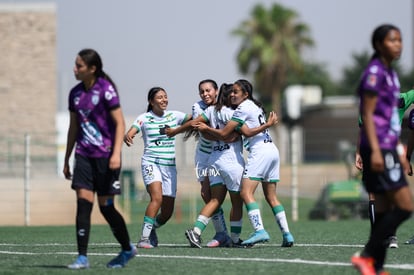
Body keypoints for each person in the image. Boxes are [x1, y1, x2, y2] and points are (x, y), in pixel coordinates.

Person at [192, 79, 294, 247]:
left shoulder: (240, 108)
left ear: (245, 94)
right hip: (272, 151)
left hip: (258, 153)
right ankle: (287, 234)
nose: (232, 95)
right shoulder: (255, 106)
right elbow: (245, 131)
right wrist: (267, 125)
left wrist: (206, 129)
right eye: (231, 92)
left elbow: (226, 133)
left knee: (245, 194)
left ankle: (259, 230)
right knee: (271, 197)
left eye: (236, 92)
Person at [63, 49, 136, 269]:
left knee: (106, 207)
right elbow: (74, 127)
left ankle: (127, 248)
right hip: (83, 155)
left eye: (79, 66)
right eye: (75, 64)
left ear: (92, 69)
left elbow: (120, 123)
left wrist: (115, 154)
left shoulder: (106, 90)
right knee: (83, 204)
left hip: (106, 157)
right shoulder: (75, 93)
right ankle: (82, 257)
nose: (75, 69)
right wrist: (67, 159)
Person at [350, 24, 413, 275]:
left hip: (388, 146)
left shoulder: (391, 74)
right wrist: (374, 151)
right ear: (378, 45)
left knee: (386, 208)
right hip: (380, 147)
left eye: (400, 40)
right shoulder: (375, 72)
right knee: (405, 207)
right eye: (392, 40)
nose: (398, 44)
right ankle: (367, 256)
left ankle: (377, 266)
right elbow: (366, 112)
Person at [124, 87, 191, 249]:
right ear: (151, 101)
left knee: (167, 213)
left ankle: (152, 226)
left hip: (169, 166)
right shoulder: (144, 118)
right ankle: (144, 238)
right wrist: (129, 135)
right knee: (157, 198)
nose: (164, 100)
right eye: (160, 97)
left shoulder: (175, 115)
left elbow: (195, 118)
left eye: (165, 97)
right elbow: (132, 131)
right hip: (151, 163)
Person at [169, 79, 231, 247]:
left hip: (221, 156)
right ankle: (222, 233)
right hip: (203, 157)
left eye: (208, 90)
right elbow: (203, 131)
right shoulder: (198, 107)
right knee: (206, 194)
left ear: (216, 91)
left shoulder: (225, 106)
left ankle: (225, 233)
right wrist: (224, 134)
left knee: (218, 196)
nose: (205, 94)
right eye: (202, 91)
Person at [355, 89, 414, 248]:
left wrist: (358, 153)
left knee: (374, 195)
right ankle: (391, 236)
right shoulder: (400, 100)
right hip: (392, 152)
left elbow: (363, 131)